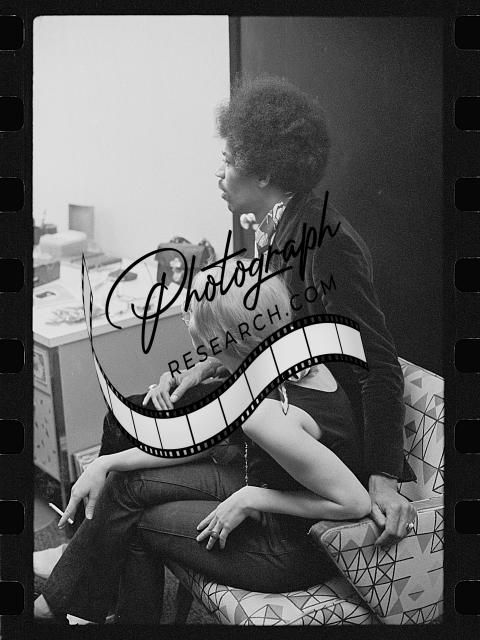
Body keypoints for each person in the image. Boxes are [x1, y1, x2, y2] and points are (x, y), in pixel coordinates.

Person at [145, 75, 416, 547]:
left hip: (319, 431)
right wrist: (205, 365)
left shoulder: (327, 241)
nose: (219, 173)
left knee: (139, 425)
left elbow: (377, 361)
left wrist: (384, 475)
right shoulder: (274, 228)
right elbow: (268, 333)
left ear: (264, 173)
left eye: (229, 161)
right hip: (277, 398)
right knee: (148, 408)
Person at [35, 260, 371, 625]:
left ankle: (95, 610)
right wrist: (105, 463)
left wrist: (253, 498)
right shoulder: (289, 350)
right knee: (125, 484)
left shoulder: (267, 417)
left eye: (192, 319)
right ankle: (69, 603)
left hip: (292, 547)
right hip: (266, 485)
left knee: (137, 522)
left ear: (221, 340)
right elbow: (199, 438)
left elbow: (355, 502)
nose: (189, 326)